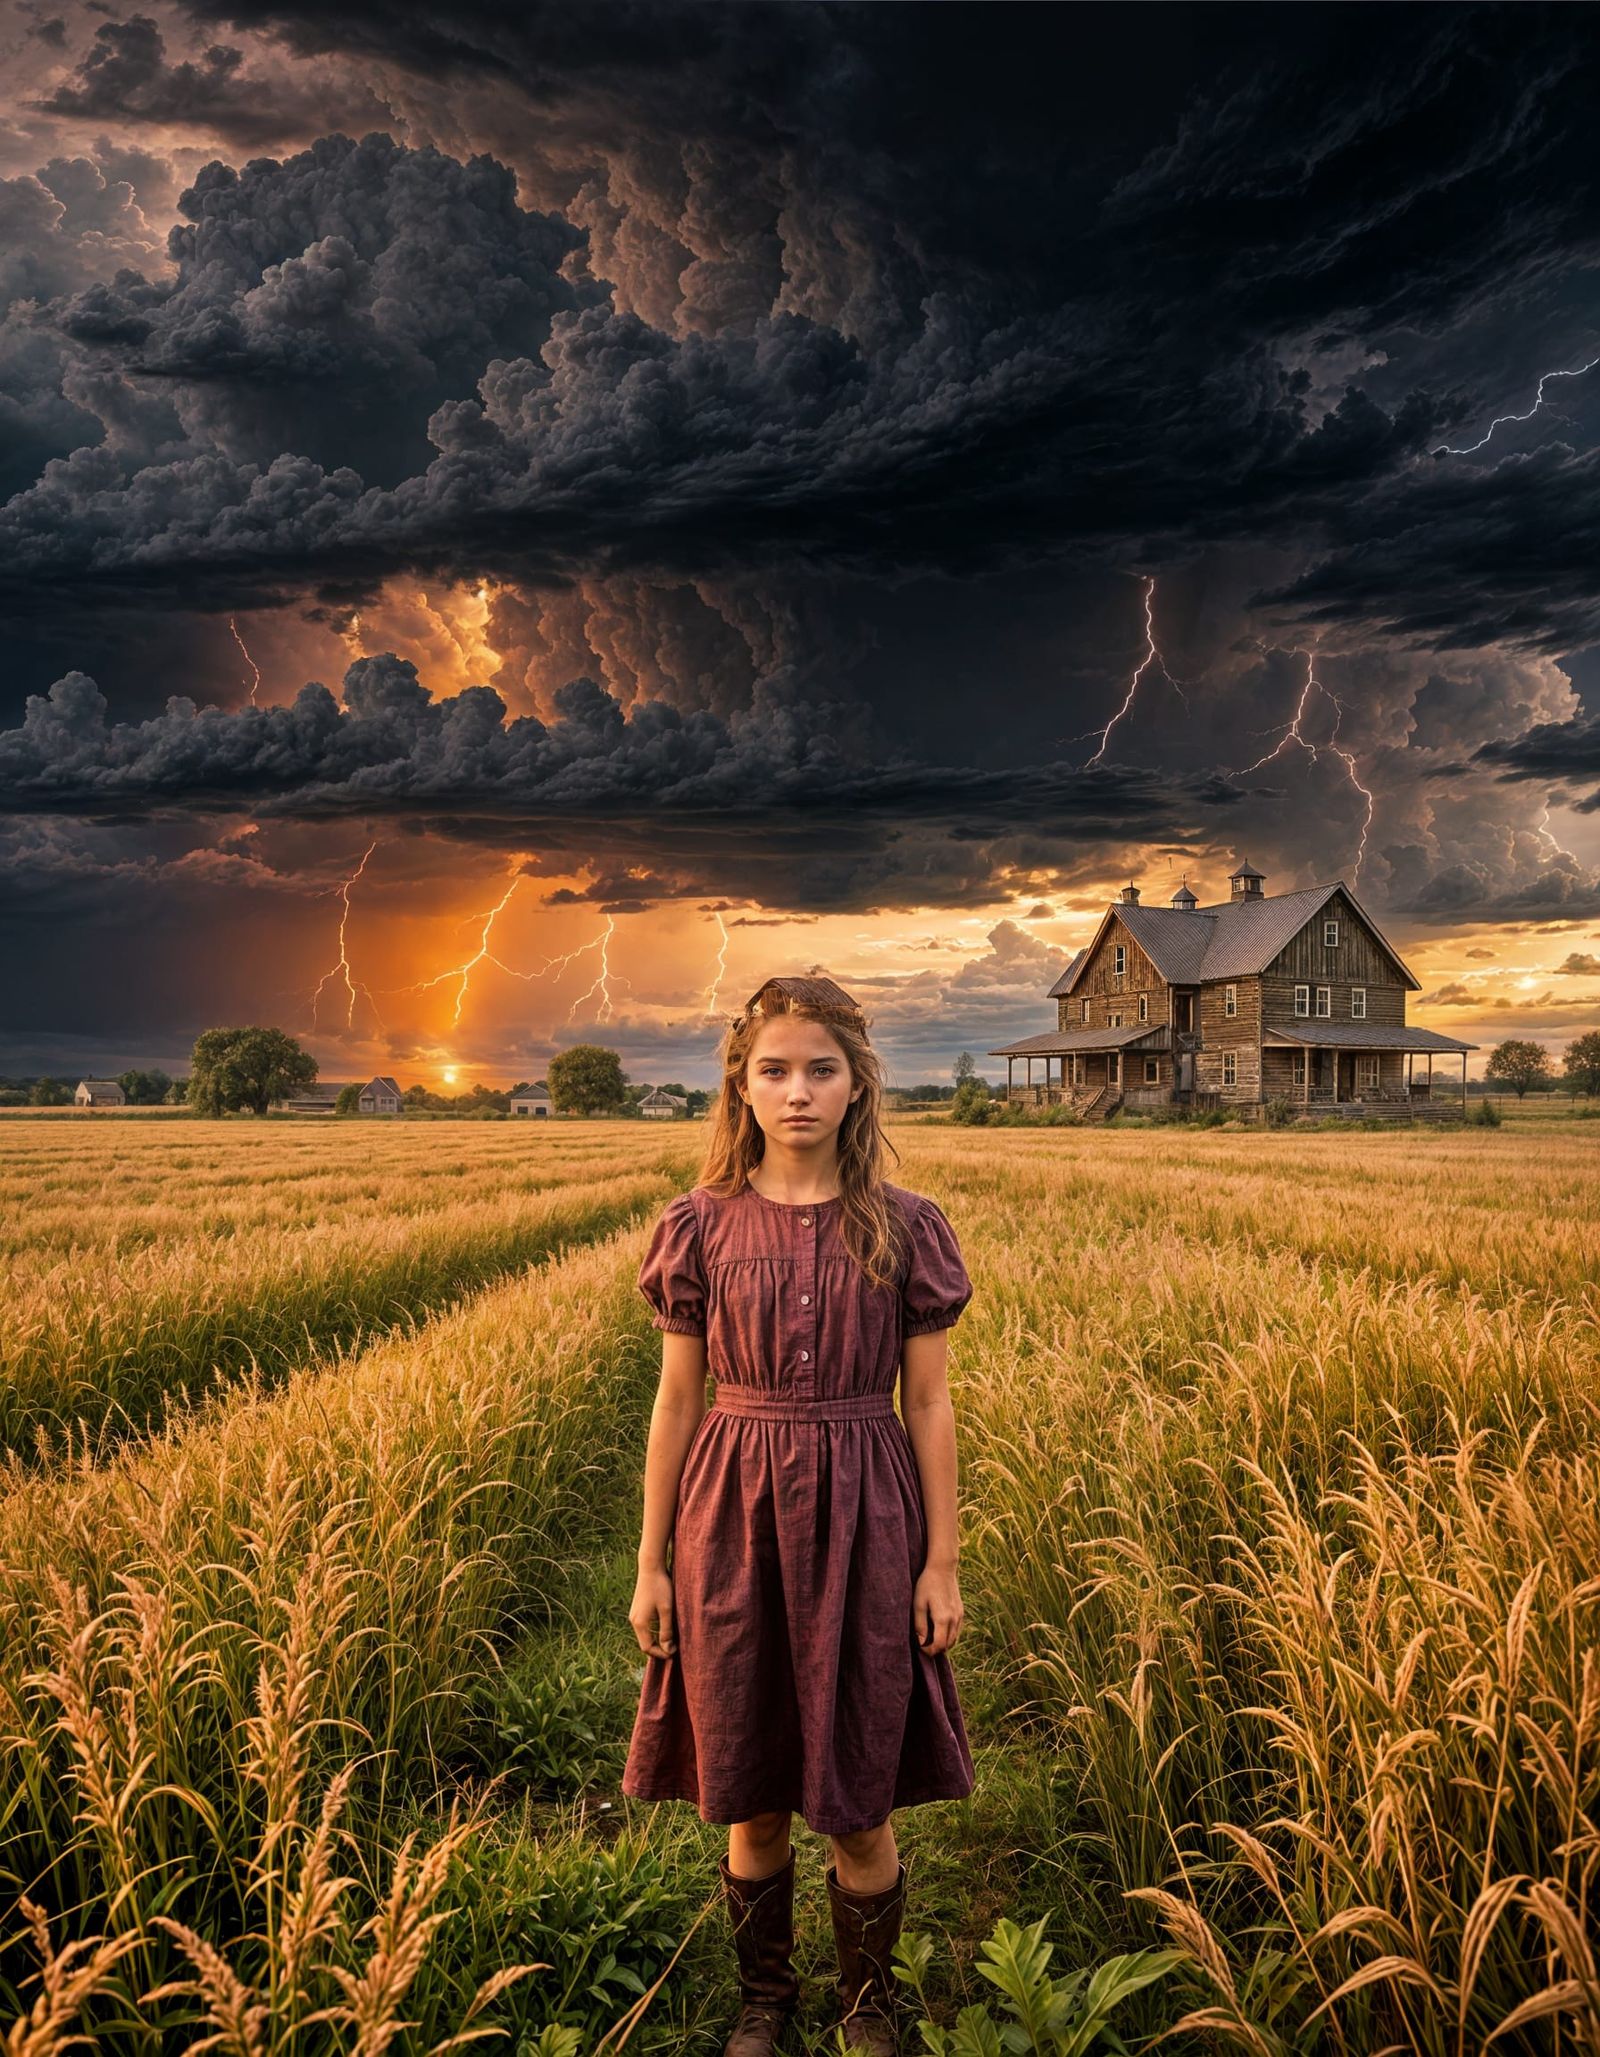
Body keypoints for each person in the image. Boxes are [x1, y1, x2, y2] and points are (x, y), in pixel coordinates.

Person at [621, 973, 977, 2055]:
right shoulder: (700, 1225)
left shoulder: (905, 1226)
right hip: (729, 1514)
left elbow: (927, 1398)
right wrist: (650, 1565)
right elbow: (677, 1398)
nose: (797, 1092)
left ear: (857, 1085)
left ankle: (867, 2002)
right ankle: (764, 1998)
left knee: (861, 1791)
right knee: (753, 1783)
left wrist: (941, 1559)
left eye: (821, 1069)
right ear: (741, 1083)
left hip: (869, 1508)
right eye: (773, 1070)